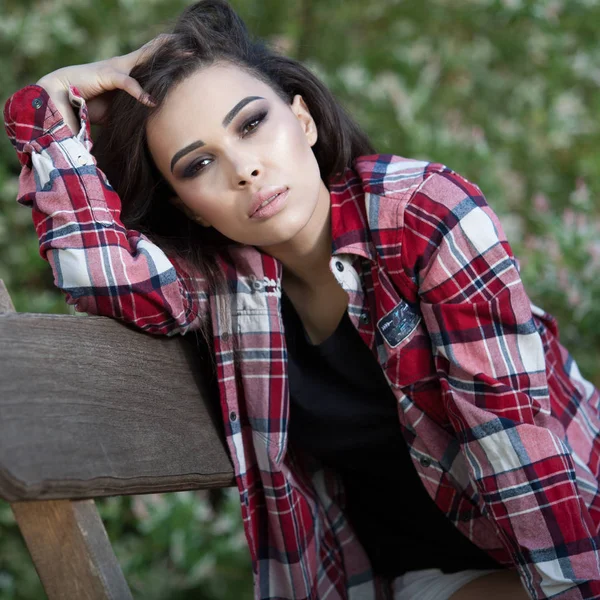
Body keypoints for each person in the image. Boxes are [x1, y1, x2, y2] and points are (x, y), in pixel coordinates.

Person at [4, 1, 600, 598]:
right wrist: (50, 103)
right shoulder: (222, 289)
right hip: (430, 576)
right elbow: (102, 276)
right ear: (187, 206)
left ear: (305, 121)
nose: (243, 170)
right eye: (200, 164)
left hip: (576, 533)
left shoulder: (422, 212)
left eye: (251, 124)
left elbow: (512, 437)